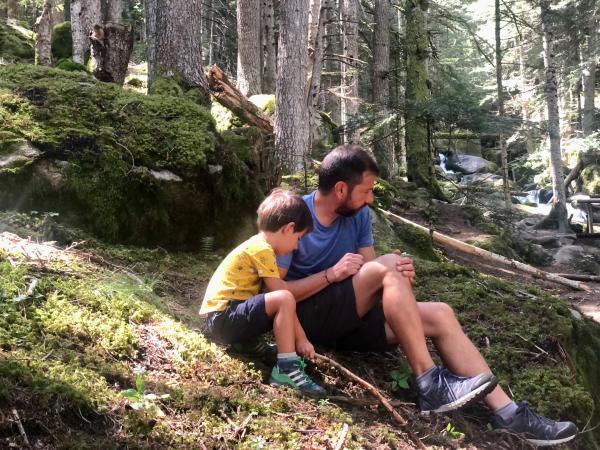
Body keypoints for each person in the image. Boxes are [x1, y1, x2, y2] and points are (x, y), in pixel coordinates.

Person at [276, 145, 578, 447]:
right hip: (308, 322)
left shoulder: (359, 215)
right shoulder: (295, 218)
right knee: (387, 268)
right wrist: (332, 275)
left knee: (440, 313)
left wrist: (396, 279)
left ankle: (509, 413)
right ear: (341, 189)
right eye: (365, 191)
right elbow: (276, 292)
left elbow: (368, 269)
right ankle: (429, 381)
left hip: (351, 319)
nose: (370, 198)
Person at [200, 189, 326, 397]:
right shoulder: (262, 249)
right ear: (289, 228)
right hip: (223, 317)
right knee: (284, 297)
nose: (296, 247)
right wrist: (301, 339)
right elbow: (282, 295)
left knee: (275, 299)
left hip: (224, 317)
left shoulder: (257, 246)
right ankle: (286, 369)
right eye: (298, 238)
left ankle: (246, 343)